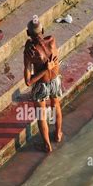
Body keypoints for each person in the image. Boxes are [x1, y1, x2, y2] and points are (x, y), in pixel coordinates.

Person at [23, 19, 63, 152]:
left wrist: (45, 69)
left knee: (41, 115)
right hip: (55, 80)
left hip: (42, 85)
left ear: (28, 33)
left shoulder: (30, 52)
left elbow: (28, 81)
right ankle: (58, 134)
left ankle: (47, 145)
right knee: (56, 105)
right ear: (43, 30)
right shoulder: (52, 40)